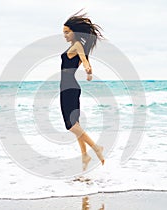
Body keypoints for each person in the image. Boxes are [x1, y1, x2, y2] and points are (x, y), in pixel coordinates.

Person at [60, 9, 105, 171]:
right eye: (63, 33)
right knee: (76, 124)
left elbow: (85, 61)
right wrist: (89, 73)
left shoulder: (78, 45)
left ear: (74, 32)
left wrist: (88, 70)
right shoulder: (76, 46)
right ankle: (85, 155)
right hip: (70, 87)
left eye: (67, 32)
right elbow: (86, 62)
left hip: (68, 88)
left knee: (71, 126)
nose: (64, 35)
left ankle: (96, 148)